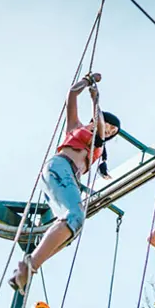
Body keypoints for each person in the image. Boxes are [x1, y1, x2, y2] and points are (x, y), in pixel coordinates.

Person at [8, 73, 122, 292]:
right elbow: (71, 94)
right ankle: (29, 265)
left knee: (72, 228)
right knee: (75, 216)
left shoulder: (97, 146)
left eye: (112, 133)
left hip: (64, 176)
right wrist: (87, 84)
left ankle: (30, 267)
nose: (108, 132)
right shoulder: (78, 128)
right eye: (109, 127)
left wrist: (96, 100)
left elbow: (98, 129)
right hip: (60, 168)